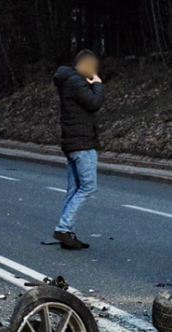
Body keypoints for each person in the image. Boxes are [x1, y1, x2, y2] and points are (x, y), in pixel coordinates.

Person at [52, 49, 105, 250]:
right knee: (88, 186)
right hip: (82, 143)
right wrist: (98, 84)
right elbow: (94, 103)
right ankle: (64, 228)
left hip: (72, 143)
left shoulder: (68, 80)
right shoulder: (75, 82)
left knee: (74, 189)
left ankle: (67, 233)